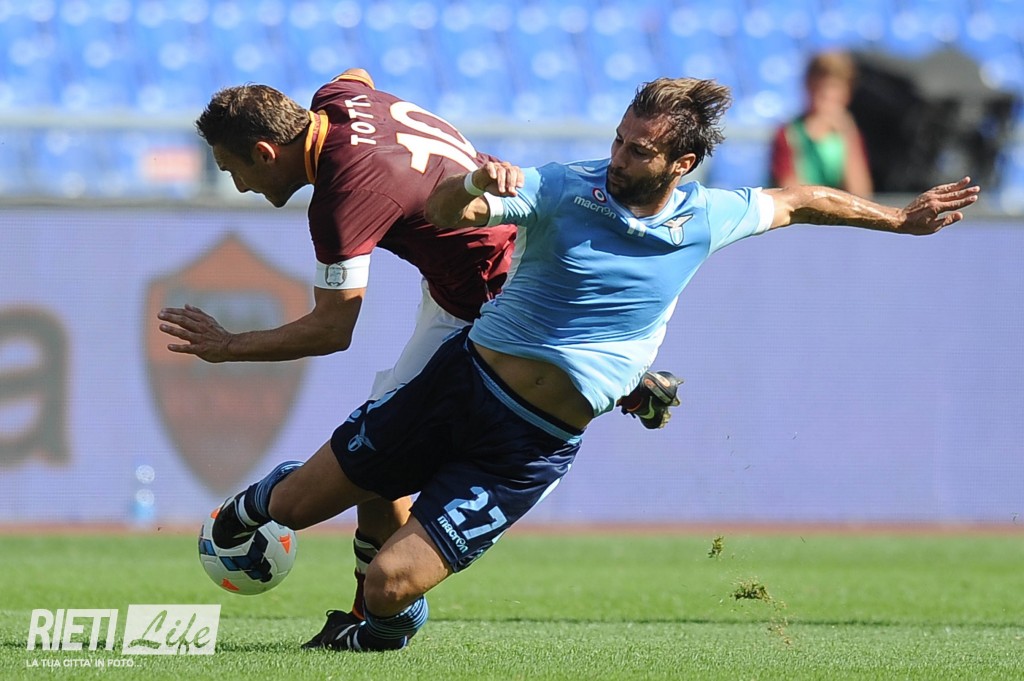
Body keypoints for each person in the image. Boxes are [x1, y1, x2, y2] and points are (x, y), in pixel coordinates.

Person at [208, 76, 978, 652]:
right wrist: (473, 182)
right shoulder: (563, 186)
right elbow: (450, 209)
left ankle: (375, 625)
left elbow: (804, 199)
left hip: (525, 440)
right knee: (300, 505)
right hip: (460, 377)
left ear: (681, 163)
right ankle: (627, 384)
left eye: (637, 150)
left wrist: (898, 219)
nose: (617, 157)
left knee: (389, 584)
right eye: (617, 139)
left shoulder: (710, 216)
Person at [156, 69, 680, 627]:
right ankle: (367, 608)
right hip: (472, 272)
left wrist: (229, 345)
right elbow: (357, 75)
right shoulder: (338, 98)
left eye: (233, 169)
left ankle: (367, 599)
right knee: (377, 441)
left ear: (265, 152)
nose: (239, 186)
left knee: (375, 449)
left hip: (493, 299)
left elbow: (332, 330)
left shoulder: (344, 196)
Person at [770, 51, 873, 197]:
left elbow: (860, 193)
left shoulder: (848, 134)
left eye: (834, 88)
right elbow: (790, 193)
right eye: (820, 87)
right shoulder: (788, 133)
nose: (826, 94)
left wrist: (848, 137)